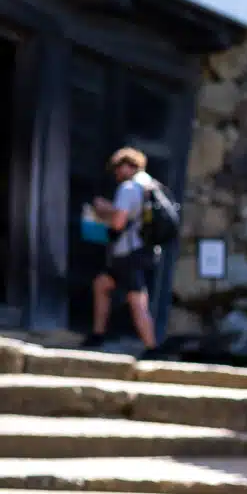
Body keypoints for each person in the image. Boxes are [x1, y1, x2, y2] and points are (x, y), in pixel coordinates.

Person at [83, 147, 160, 353]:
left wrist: (104, 209)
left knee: (137, 300)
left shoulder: (128, 188)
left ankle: (152, 348)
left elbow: (118, 223)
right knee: (102, 284)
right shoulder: (150, 185)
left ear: (127, 166)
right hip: (140, 252)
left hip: (129, 253)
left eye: (117, 168)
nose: (116, 174)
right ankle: (98, 334)